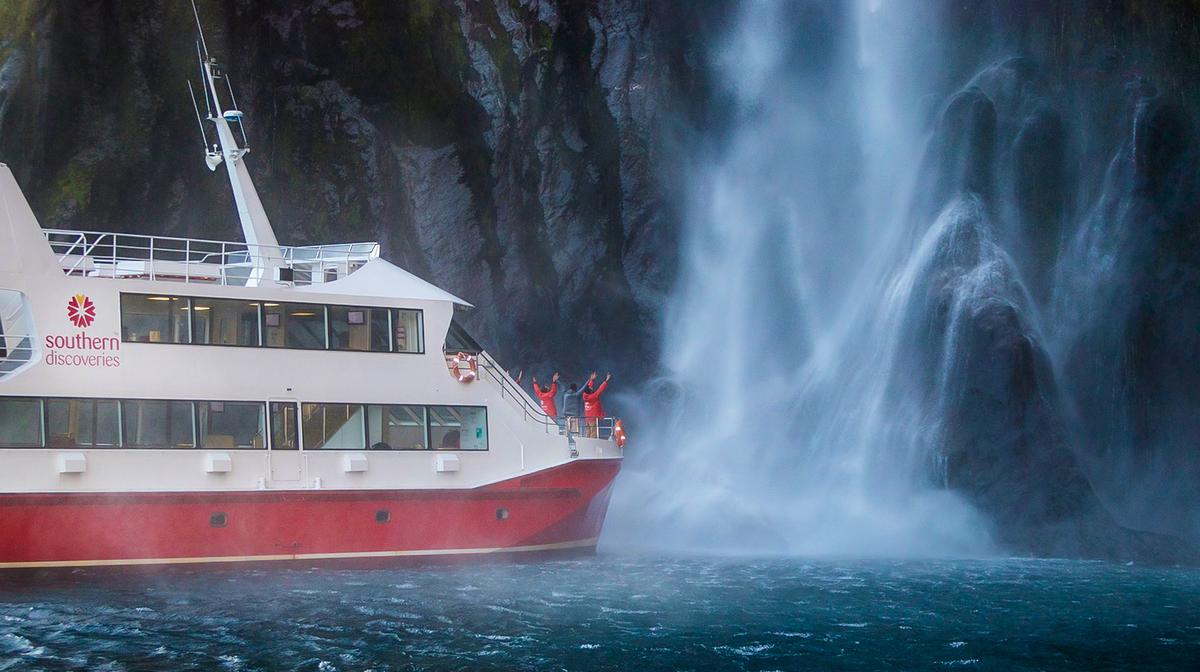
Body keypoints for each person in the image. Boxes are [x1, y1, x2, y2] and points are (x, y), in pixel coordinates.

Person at [582, 371, 611, 438]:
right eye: (591, 389)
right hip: (592, 418)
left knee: (588, 432)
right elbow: (600, 389)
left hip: (587, 417)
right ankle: (592, 446)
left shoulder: (585, 395)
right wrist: (606, 381)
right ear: (590, 391)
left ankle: (586, 444)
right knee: (593, 433)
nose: (592, 389)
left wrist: (592, 380)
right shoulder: (593, 397)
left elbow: (589, 387)